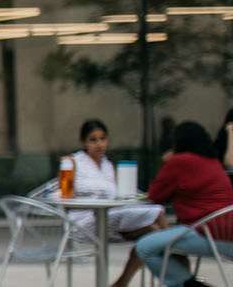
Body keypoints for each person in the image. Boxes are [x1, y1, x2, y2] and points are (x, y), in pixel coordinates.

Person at [57, 119, 165, 287]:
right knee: (158, 213)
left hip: (109, 219)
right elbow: (65, 195)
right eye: (93, 140)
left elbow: (118, 195)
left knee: (153, 232)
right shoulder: (73, 161)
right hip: (83, 222)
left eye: (102, 139)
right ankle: (179, 268)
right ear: (84, 142)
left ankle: (122, 282)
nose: (99, 144)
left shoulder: (108, 165)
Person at [134, 122, 233, 287]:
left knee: (144, 247)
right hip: (226, 236)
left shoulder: (179, 161)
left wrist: (166, 162)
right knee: (166, 245)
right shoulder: (213, 162)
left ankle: (190, 285)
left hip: (207, 235)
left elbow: (155, 195)